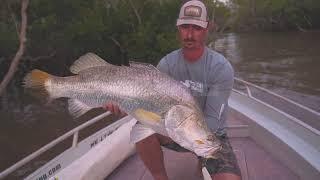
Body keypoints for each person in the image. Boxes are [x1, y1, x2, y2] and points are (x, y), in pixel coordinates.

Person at [105, 1, 242, 180]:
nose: (190, 34)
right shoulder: (166, 64)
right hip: (172, 128)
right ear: (178, 27)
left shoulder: (220, 68)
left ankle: (202, 160)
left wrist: (198, 145)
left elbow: (213, 122)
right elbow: (151, 107)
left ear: (206, 28)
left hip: (210, 135)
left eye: (197, 28)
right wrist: (126, 106)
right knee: (142, 128)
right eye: (185, 27)